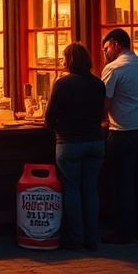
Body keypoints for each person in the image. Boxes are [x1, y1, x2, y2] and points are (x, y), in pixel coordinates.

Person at [100, 28, 138, 245]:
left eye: (106, 48)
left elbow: (104, 103)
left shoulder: (114, 69)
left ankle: (125, 232)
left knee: (122, 183)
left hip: (123, 132)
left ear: (116, 44)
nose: (105, 53)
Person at [44, 42, 106, 251]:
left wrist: (55, 125)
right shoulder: (98, 84)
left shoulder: (62, 84)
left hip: (70, 141)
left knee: (72, 190)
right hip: (95, 140)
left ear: (68, 61)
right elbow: (101, 113)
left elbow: (49, 117)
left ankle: (76, 238)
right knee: (91, 190)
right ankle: (92, 238)